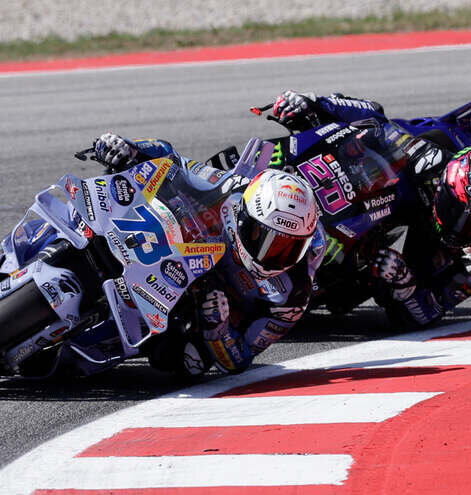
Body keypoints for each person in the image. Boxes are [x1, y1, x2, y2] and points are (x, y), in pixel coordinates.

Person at [268, 92, 471, 329]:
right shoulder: (431, 163)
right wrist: (315, 102)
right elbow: (376, 117)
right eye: (457, 209)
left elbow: (429, 312)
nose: (462, 224)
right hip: (397, 201)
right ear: (446, 184)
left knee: (350, 291)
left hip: (421, 250)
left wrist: (404, 284)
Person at [91, 133, 323, 374]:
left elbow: (241, 358)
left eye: (290, 247)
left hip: (194, 305)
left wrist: (218, 328)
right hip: (168, 243)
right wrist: (130, 149)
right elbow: (172, 160)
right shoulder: (233, 189)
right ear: (245, 218)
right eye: (269, 240)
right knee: (119, 192)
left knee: (186, 360)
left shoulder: (292, 296)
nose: (276, 254)